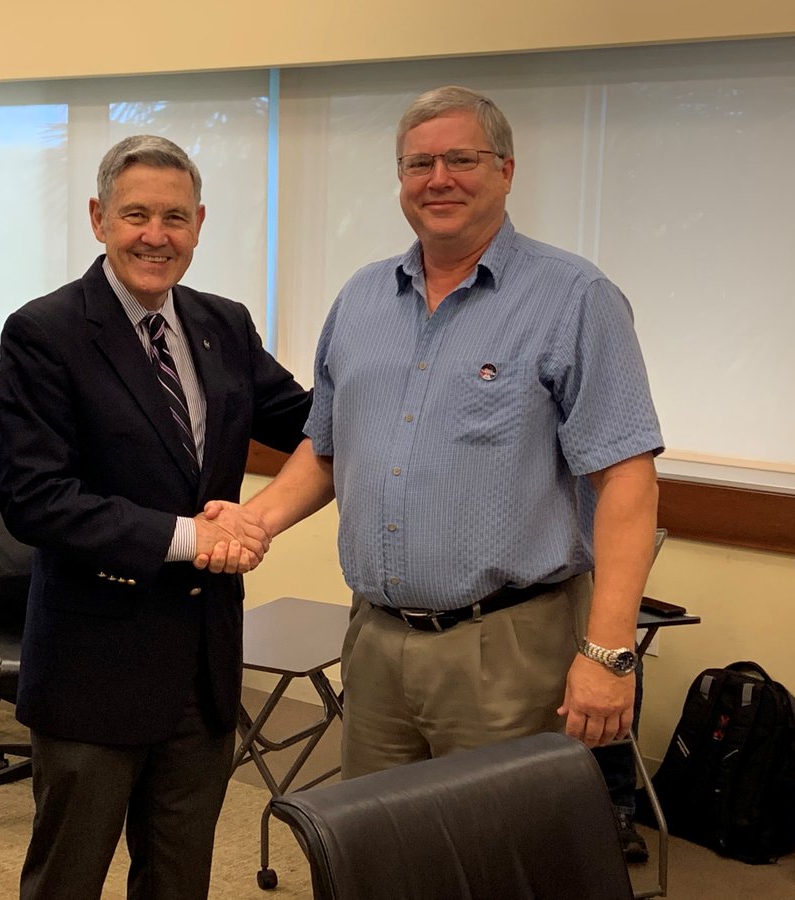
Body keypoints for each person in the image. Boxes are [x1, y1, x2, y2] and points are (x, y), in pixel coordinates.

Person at [237, 84, 663, 833]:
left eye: (461, 159)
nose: (440, 179)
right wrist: (253, 522)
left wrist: (609, 651)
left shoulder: (574, 297)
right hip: (374, 641)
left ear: (505, 169)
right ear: (400, 180)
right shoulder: (362, 300)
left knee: (499, 853)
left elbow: (626, 477)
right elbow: (328, 450)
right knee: (378, 845)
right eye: (419, 163)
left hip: (506, 647)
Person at [0, 134, 311, 900]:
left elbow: (310, 423)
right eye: (135, 214)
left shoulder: (222, 323)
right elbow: (34, 497)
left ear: (199, 223)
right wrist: (192, 536)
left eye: (174, 217)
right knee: (67, 880)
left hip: (201, 672)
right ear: (100, 217)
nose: (155, 236)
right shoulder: (46, 332)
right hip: (93, 670)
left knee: (177, 881)